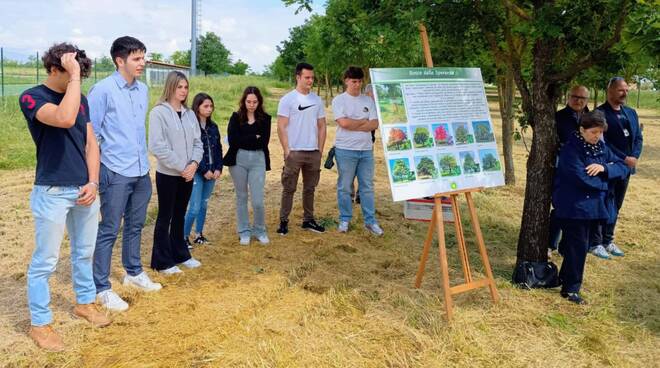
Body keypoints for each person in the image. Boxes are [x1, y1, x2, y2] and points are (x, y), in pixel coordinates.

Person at [19, 43, 111, 351]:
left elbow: (90, 143)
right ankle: (40, 323)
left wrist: (94, 181)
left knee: (84, 252)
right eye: (73, 72)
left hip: (84, 188)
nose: (79, 78)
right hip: (52, 191)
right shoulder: (32, 96)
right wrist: (73, 79)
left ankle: (85, 303)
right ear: (55, 68)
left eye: (81, 74)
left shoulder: (80, 97)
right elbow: (64, 118)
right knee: (45, 261)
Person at [88, 36, 160, 313]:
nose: (143, 63)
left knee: (136, 224)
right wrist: (95, 172)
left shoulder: (142, 90)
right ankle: (102, 288)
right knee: (109, 229)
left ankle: (133, 271)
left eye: (143, 57)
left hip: (141, 170)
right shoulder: (102, 90)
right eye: (137, 59)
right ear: (120, 61)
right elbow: (90, 134)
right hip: (115, 170)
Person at [553, 110, 629, 304]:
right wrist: (606, 184)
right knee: (577, 247)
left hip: (593, 207)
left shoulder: (601, 148)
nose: (597, 136)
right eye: (593, 132)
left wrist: (605, 168)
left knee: (580, 246)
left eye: (600, 132)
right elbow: (581, 178)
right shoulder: (571, 150)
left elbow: (623, 166)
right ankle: (571, 290)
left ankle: (565, 279)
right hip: (574, 206)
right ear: (582, 129)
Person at [148, 71, 204, 274]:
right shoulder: (158, 113)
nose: (183, 91)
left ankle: (180, 254)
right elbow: (157, 146)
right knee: (166, 216)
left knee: (180, 214)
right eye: (179, 87)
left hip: (188, 174)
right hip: (169, 175)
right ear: (171, 87)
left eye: (186, 87)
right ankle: (162, 261)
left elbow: (198, 142)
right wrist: (182, 167)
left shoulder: (189, 114)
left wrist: (194, 165)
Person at [594, 77, 643, 258]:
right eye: (621, 90)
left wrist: (634, 157)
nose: (624, 94)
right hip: (608, 166)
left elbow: (638, 138)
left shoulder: (631, 112)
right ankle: (596, 242)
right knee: (604, 202)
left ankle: (608, 240)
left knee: (617, 205)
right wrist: (624, 158)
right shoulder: (599, 113)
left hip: (626, 168)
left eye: (627, 91)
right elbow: (601, 142)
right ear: (610, 91)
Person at [276, 62, 327, 235]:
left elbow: (322, 126)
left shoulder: (317, 100)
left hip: (313, 152)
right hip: (294, 152)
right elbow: (281, 126)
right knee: (289, 187)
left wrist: (320, 150)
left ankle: (308, 220)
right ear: (298, 77)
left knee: (310, 188)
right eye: (307, 77)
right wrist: (287, 150)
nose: (310, 80)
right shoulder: (287, 100)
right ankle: (283, 221)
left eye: (312, 77)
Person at [331, 67, 383, 235]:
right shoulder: (338, 100)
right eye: (354, 81)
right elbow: (343, 124)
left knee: (367, 187)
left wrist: (353, 123)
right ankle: (345, 219)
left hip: (366, 150)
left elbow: (375, 124)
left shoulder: (368, 101)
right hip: (345, 150)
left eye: (360, 81)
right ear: (346, 80)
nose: (357, 84)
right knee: (345, 187)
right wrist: (363, 123)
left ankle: (370, 221)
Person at [225, 86, 272, 245]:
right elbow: (233, 140)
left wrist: (245, 136)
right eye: (248, 101)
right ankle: (244, 231)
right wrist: (254, 136)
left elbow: (263, 141)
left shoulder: (265, 119)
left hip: (258, 160)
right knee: (242, 197)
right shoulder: (235, 117)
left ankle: (259, 229)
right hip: (238, 160)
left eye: (255, 102)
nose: (251, 104)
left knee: (258, 200)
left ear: (259, 102)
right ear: (243, 101)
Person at [548, 85, 590, 257]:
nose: (578, 100)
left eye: (582, 98)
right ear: (568, 97)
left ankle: (567, 246)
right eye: (575, 96)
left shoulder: (592, 118)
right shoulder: (558, 117)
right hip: (563, 169)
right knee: (560, 206)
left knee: (576, 209)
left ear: (587, 100)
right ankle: (551, 244)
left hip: (584, 171)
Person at [183, 93, 223, 248]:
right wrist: (204, 170)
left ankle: (198, 234)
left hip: (212, 173)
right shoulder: (192, 127)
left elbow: (218, 149)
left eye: (211, 106)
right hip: (198, 173)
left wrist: (219, 168)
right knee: (194, 207)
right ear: (197, 107)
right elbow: (191, 152)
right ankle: (183, 237)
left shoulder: (213, 127)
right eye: (205, 106)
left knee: (204, 204)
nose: (209, 109)